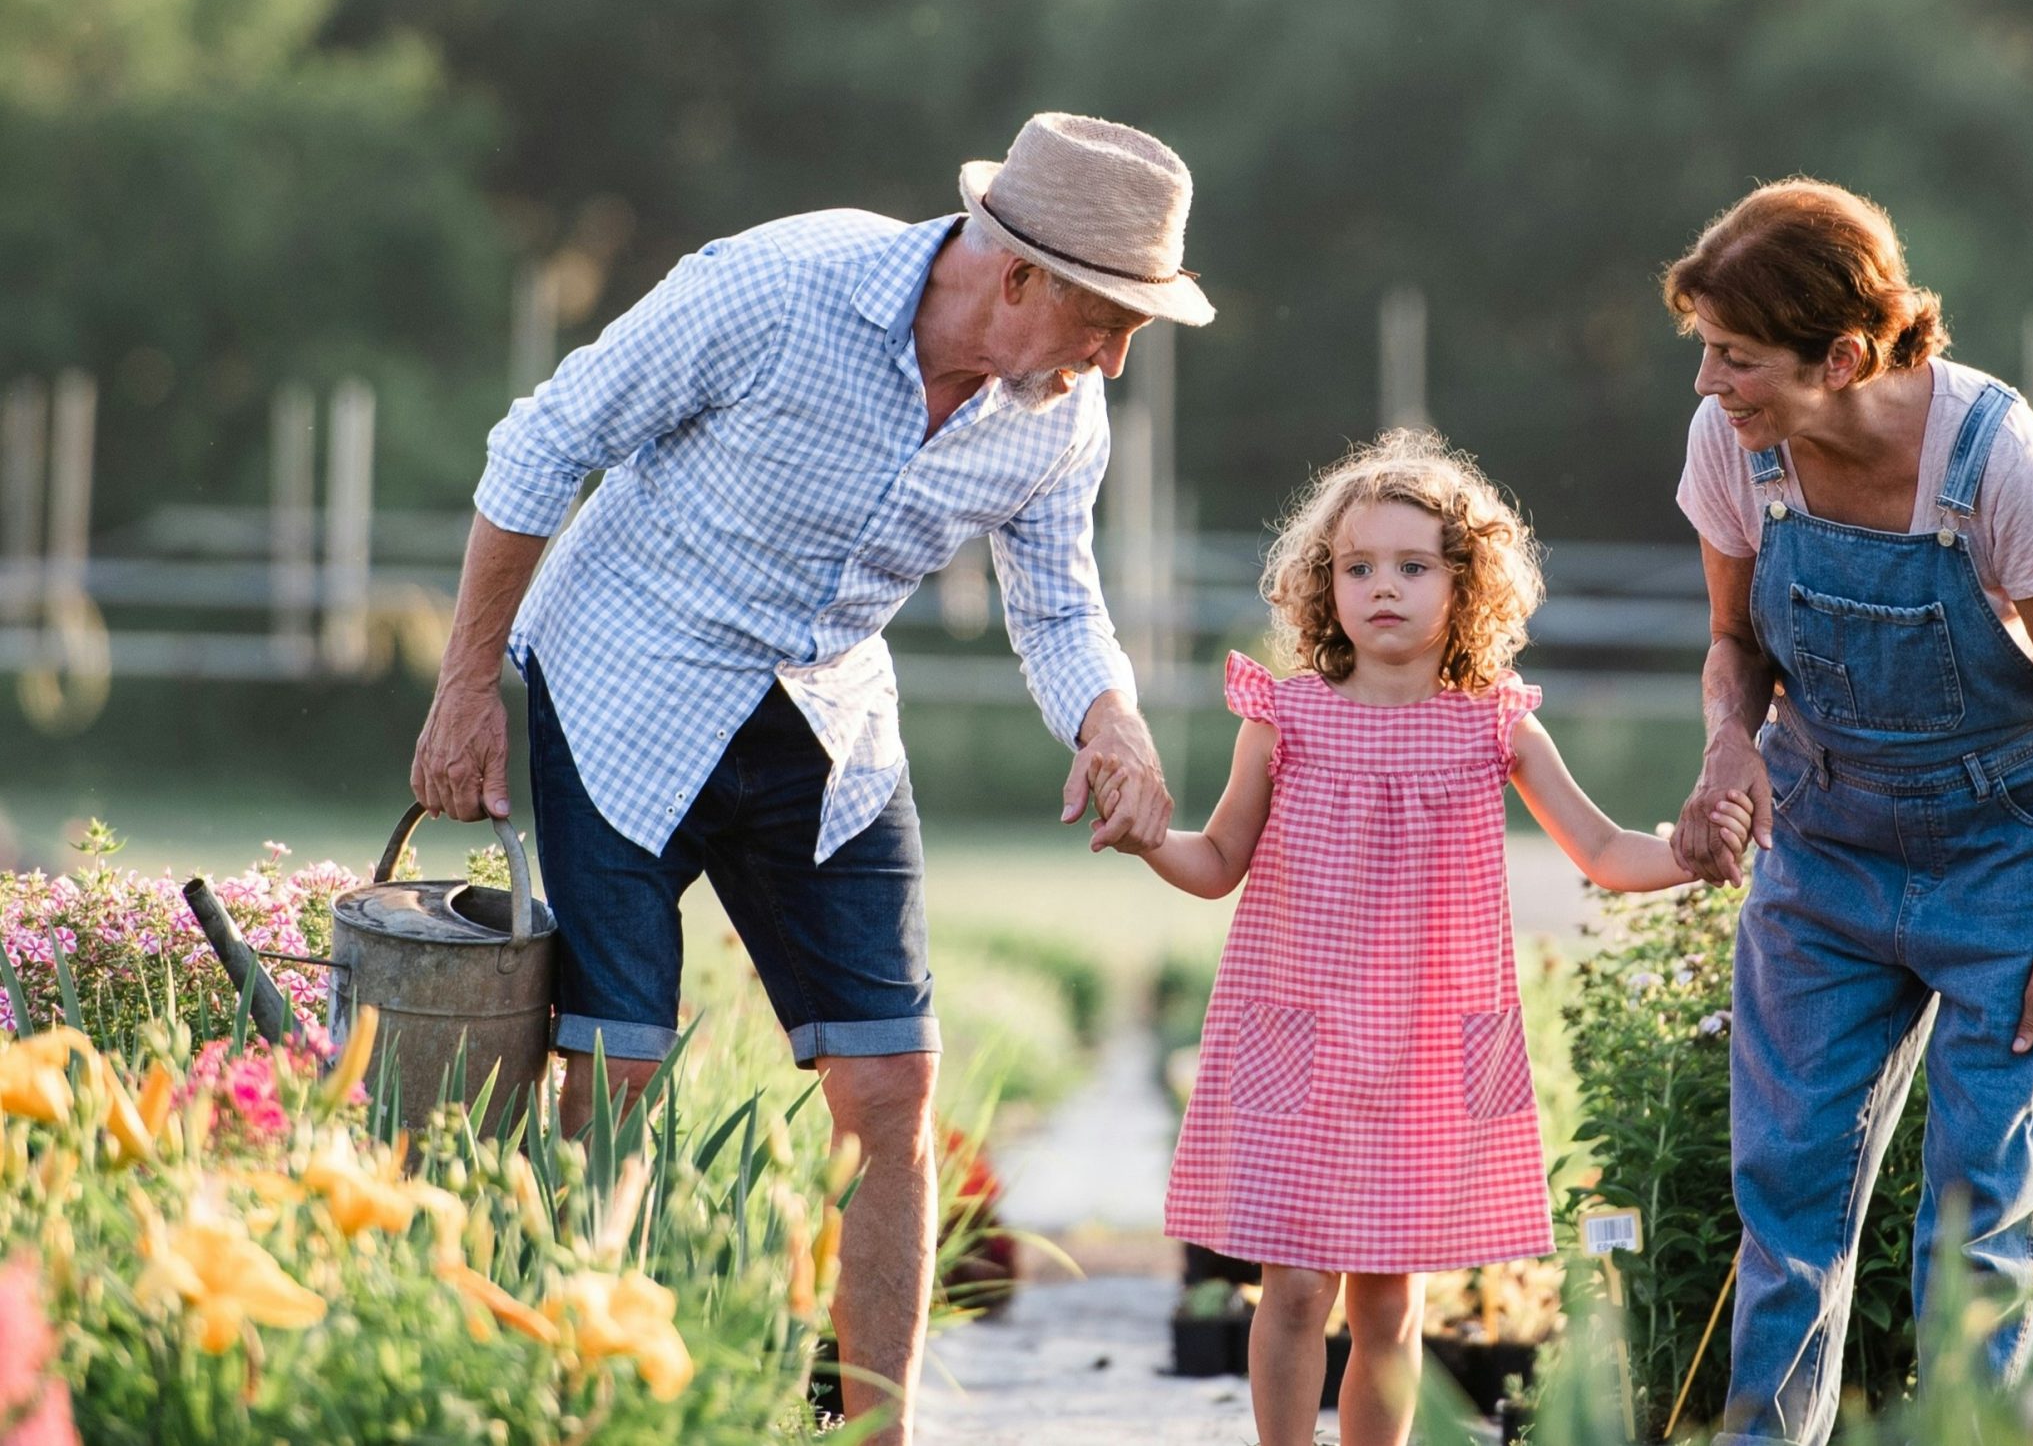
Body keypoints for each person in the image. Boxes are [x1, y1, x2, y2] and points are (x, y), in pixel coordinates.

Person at [407, 113, 1214, 1445]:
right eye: (1106, 316)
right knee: (615, 1070)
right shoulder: (775, 286)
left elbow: (1059, 597)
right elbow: (542, 446)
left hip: (827, 724)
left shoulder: (1062, 417)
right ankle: (569, 1402)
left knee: (895, 1089)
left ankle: (876, 1434)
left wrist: (1112, 721)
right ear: (1014, 273)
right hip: (627, 681)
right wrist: (463, 690)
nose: (1117, 354)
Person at [1662, 180, 2033, 1445]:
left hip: (2011, 862)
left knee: (1982, 1229)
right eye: (1705, 349)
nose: (1710, 382)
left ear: (1845, 357)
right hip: (1827, 850)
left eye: (1736, 357)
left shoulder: (1995, 461)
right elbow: (1730, 639)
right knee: (1788, 1199)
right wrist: (1726, 743)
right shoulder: (1735, 446)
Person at [1116, 431, 1695, 1446]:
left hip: (1423, 1046)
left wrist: (1696, 853)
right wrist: (1145, 838)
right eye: (1357, 567)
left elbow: (1602, 849)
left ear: (1465, 585)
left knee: (1389, 1303)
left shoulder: (1496, 727)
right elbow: (1215, 862)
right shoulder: (1283, 719)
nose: (1382, 587)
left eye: (1413, 566)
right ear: (1322, 585)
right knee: (1293, 1286)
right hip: (1296, 1038)